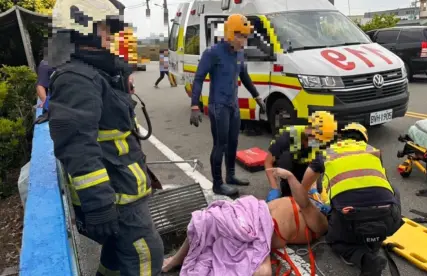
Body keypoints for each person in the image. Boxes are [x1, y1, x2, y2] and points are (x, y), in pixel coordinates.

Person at [48, 1, 164, 275]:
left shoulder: (98, 72)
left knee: (116, 258)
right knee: (146, 255)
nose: (113, 35)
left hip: (123, 188)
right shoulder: (76, 78)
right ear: (83, 29)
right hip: (116, 198)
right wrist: (99, 204)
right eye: (106, 27)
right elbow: (77, 148)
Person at [161, 166, 329, 275]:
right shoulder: (316, 205)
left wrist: (291, 177)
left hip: (262, 228)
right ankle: (178, 258)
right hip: (253, 210)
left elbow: (304, 203)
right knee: (207, 220)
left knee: (210, 220)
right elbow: (309, 190)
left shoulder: (321, 223)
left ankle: (177, 260)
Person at [300, 123, 403, 276]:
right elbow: (376, 184)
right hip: (388, 218)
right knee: (391, 188)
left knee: (335, 240)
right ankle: (374, 239)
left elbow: (304, 185)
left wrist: (318, 200)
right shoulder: (373, 151)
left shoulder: (326, 153)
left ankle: (366, 260)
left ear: (341, 137)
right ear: (364, 139)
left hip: (349, 220)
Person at [189, 14, 266, 196]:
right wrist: (194, 106)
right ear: (231, 34)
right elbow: (199, 78)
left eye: (246, 37)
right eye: (241, 37)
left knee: (233, 143)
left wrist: (257, 97)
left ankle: (230, 176)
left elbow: (244, 76)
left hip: (233, 105)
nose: (244, 41)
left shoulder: (239, 53)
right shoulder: (213, 53)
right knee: (220, 144)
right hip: (219, 106)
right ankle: (218, 183)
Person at [265, 111, 337, 202]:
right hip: (289, 165)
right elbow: (268, 162)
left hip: (305, 166)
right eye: (316, 139)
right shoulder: (288, 136)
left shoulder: (320, 142)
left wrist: (313, 188)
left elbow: (314, 164)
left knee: (317, 191)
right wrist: (274, 189)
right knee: (286, 160)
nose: (317, 142)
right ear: (308, 130)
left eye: (320, 140)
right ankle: (286, 184)